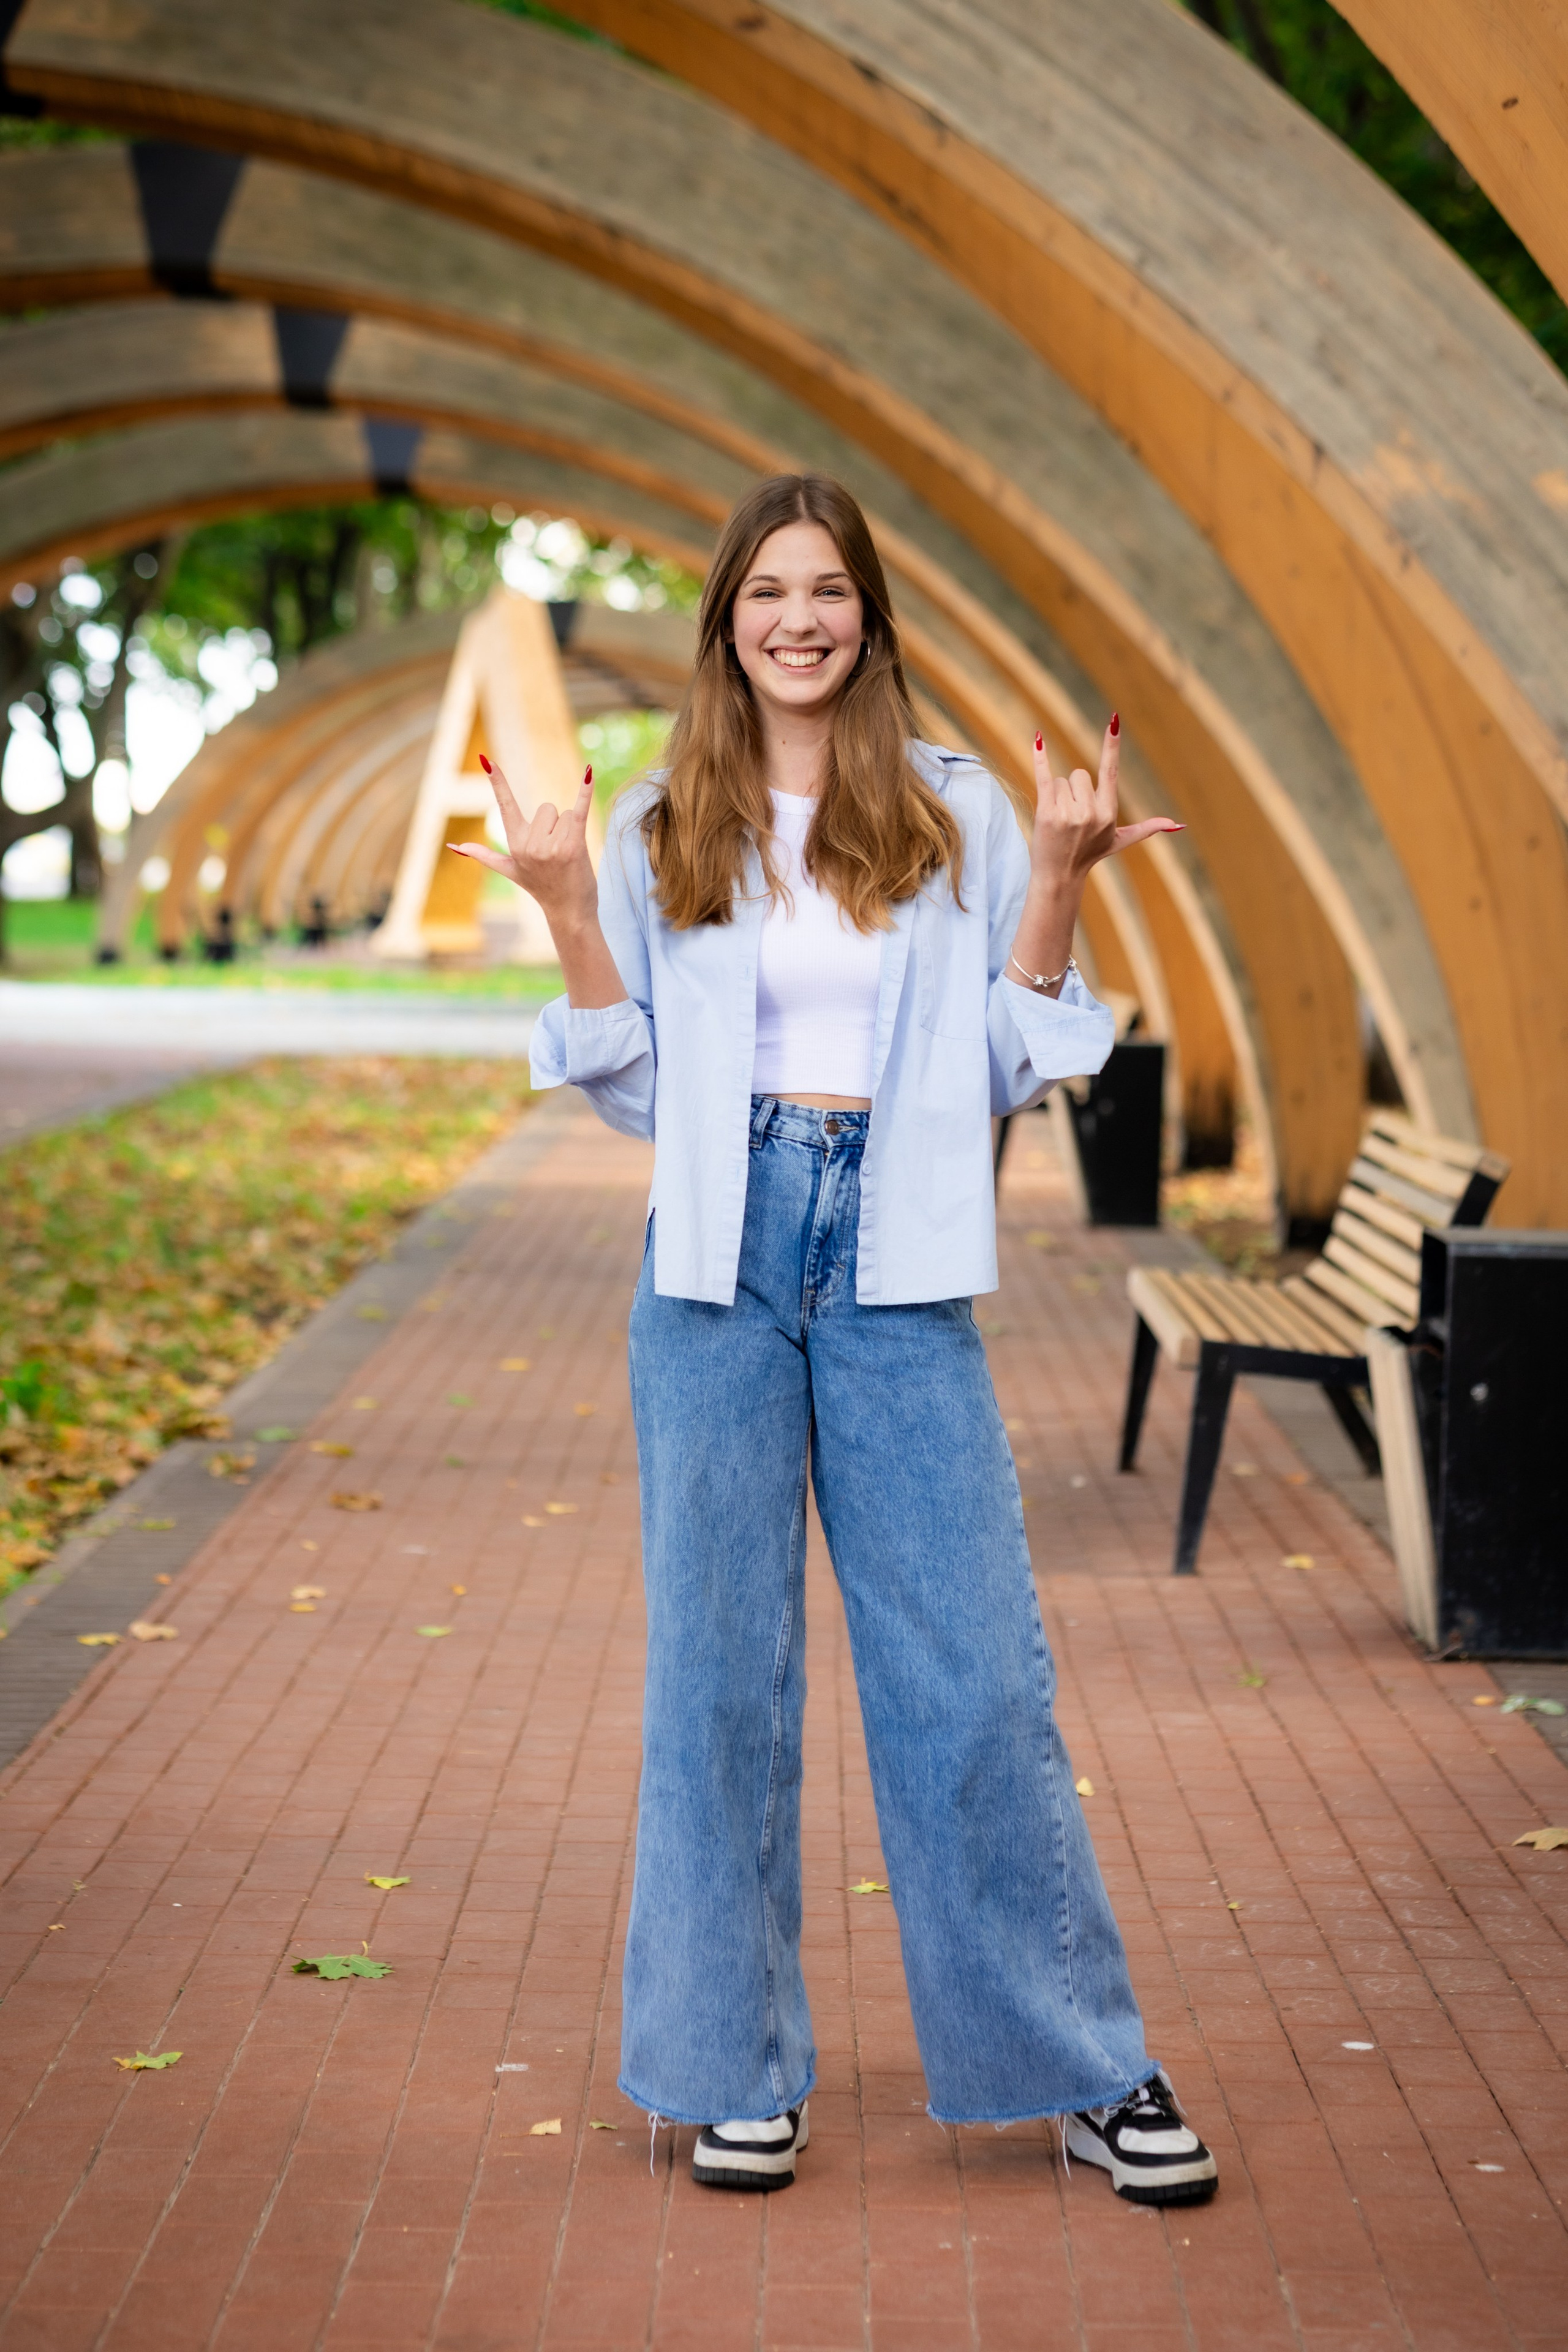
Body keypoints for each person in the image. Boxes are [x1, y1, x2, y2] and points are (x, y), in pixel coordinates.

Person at [454, 473, 1218, 2209]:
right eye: (767, 593)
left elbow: (1028, 1055)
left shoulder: (957, 811)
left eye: (830, 592)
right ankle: (736, 2069)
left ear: (871, 616)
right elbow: (637, 1089)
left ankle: (1080, 2064)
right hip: (717, 1265)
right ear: (728, 618)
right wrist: (574, 908)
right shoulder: (659, 817)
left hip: (898, 1259)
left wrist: (1065, 885)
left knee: (975, 1679)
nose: (799, 619)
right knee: (719, 1685)